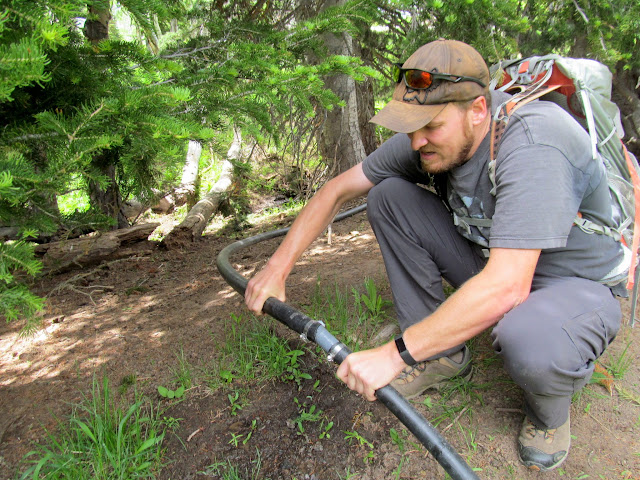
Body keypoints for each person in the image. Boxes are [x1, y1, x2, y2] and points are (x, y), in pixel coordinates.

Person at [245, 39, 625, 472]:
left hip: (571, 283)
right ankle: (440, 353)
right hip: (496, 261)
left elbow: (507, 285)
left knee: (530, 338)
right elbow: (336, 191)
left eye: (430, 127)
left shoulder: (536, 141)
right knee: (388, 196)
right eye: (411, 127)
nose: (416, 141)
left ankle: (549, 414)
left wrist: (392, 355)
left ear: (478, 110)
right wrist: (276, 269)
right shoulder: (428, 140)